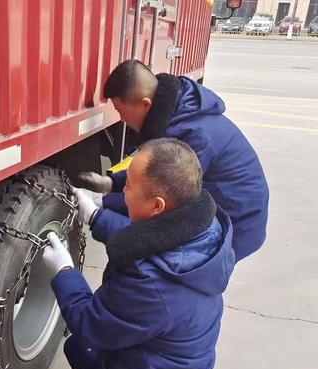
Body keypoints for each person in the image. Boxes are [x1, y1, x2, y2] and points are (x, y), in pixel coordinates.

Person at [17, 139, 235, 369]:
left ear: (158, 205)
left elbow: (90, 322)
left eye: (128, 186)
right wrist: (96, 216)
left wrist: (64, 272)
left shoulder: (153, 284)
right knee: (78, 349)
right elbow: (143, 240)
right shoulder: (199, 228)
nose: (122, 192)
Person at [80, 59, 269, 262]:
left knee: (180, 275)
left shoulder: (194, 137)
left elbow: (158, 199)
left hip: (237, 219)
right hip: (224, 204)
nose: (123, 120)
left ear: (145, 104)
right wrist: (112, 183)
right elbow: (153, 171)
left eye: (121, 111)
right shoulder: (179, 114)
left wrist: (100, 206)